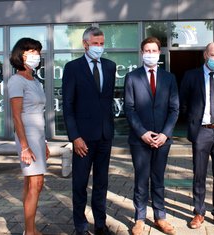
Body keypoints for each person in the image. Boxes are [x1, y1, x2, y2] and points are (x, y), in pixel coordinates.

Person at [62, 26, 116, 235]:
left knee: (101, 184)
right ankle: (81, 227)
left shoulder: (110, 67)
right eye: (95, 44)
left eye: (102, 44)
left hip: (104, 136)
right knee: (80, 185)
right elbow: (68, 105)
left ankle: (100, 225)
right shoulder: (72, 68)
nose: (99, 47)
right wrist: (75, 137)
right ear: (85, 44)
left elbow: (107, 100)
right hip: (82, 139)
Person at [124, 37, 179, 235]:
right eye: (146, 50)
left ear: (159, 52)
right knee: (141, 179)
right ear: (141, 53)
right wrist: (142, 133)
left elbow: (174, 109)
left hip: (162, 140)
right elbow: (129, 109)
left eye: (154, 50)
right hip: (140, 140)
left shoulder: (169, 78)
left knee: (158, 179)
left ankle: (160, 217)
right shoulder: (132, 77)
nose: (150, 53)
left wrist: (165, 134)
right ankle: (139, 218)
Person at [179, 42, 214, 230]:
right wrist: (193, 120)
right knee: (199, 173)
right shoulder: (191, 76)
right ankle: (199, 212)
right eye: (213, 55)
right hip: (201, 131)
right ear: (205, 55)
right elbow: (183, 102)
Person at [8, 37, 50, 235]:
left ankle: (29, 230)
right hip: (27, 138)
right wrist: (24, 146)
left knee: (31, 183)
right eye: (31, 51)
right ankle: (31, 232)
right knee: (36, 183)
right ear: (20, 54)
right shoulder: (16, 80)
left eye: (37, 51)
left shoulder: (36, 81)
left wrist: (45, 142)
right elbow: (16, 116)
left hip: (38, 137)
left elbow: (39, 114)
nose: (36, 55)